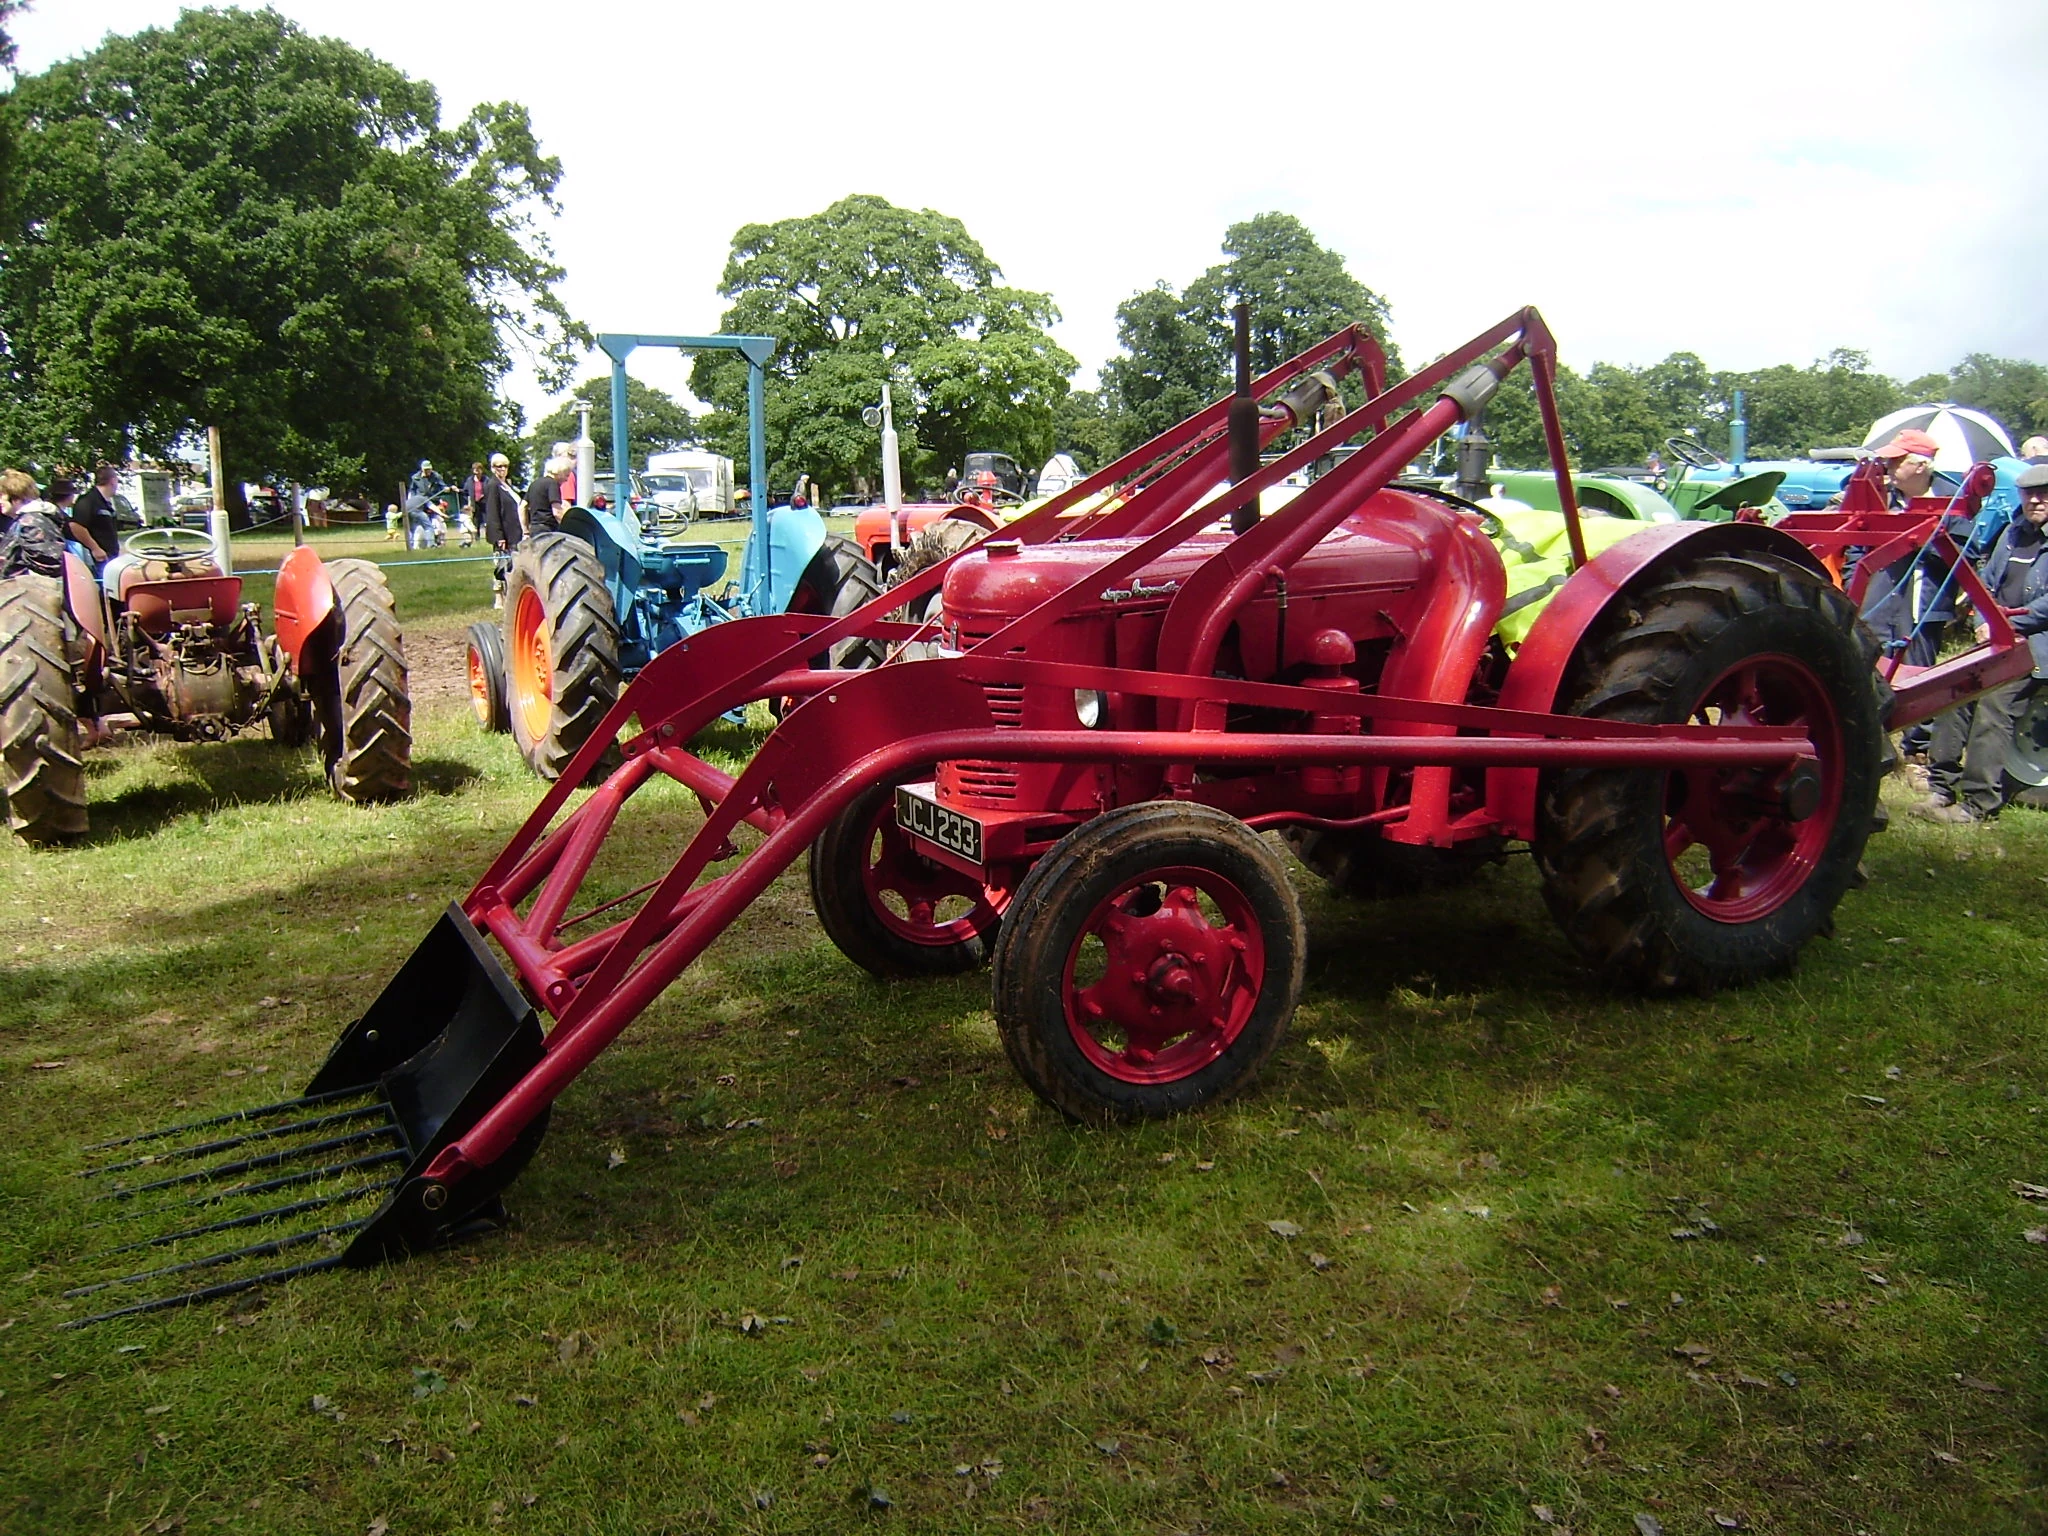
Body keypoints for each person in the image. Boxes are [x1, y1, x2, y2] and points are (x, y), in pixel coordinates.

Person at [1915, 462, 2048, 824]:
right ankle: (1941, 786)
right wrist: (1983, 619)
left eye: (2043, 494)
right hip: (1998, 636)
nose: (2035, 500)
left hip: (2037, 642)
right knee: (1953, 691)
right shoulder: (2012, 533)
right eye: (2029, 494)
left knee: (1993, 703)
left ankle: (1979, 803)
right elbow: (1985, 582)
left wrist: (2005, 624)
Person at [479, 453, 523, 609]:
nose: (502, 469)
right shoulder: (493, 486)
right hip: (503, 534)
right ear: (492, 468)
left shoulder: (507, 485)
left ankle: (510, 597)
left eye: (505, 466)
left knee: (511, 565)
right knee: (501, 565)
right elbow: (492, 512)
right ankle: (499, 598)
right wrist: (499, 536)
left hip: (515, 532)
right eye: (499, 466)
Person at [73, 466, 124, 566]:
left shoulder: (106, 502)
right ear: (113, 481)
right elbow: (76, 526)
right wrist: (95, 548)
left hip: (109, 557)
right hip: (97, 559)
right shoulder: (88, 500)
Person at [525, 454, 567, 537]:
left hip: (534, 529)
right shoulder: (553, 484)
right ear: (559, 472)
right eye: (566, 475)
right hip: (548, 530)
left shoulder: (534, 484)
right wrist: (567, 527)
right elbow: (557, 512)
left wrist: (525, 531)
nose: (566, 479)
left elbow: (522, 507)